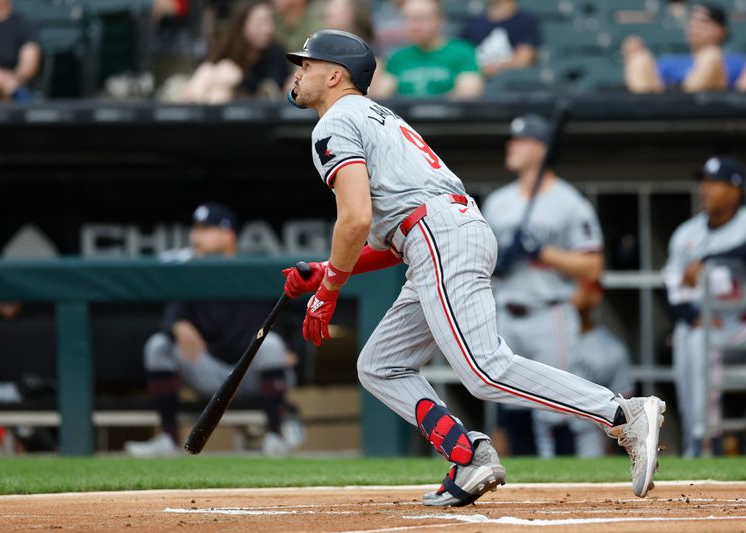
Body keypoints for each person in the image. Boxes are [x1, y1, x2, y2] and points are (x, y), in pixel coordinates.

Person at [282, 29, 664, 505]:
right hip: (436, 234)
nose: (298, 73)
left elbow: (356, 218)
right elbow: (395, 234)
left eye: (307, 65)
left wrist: (329, 291)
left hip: (438, 236)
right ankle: (469, 456)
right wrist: (328, 268)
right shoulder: (376, 116)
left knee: (484, 369)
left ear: (335, 75)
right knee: (380, 365)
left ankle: (623, 414)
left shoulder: (335, 120)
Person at [124, 202, 302, 457]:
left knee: (272, 344)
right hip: (208, 370)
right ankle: (168, 440)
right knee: (158, 346)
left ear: (228, 234)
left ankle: (276, 437)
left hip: (250, 372)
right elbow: (170, 316)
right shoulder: (192, 273)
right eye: (196, 229)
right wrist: (178, 325)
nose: (196, 236)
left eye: (206, 229)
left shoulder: (254, 270)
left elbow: (299, 309)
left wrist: (296, 348)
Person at [481, 114, 606, 459]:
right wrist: (500, 260)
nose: (511, 146)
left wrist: (543, 252)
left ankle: (563, 476)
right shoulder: (498, 202)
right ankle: (526, 478)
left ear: (540, 148)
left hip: (549, 313)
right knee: (509, 400)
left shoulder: (568, 201)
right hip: (507, 307)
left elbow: (593, 264)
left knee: (557, 402)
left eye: (520, 140)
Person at [663, 155, 746, 457]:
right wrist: (691, 315)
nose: (706, 190)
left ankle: (705, 439)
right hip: (702, 322)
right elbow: (670, 285)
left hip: (739, 322)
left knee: (701, 344)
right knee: (689, 340)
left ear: (736, 190)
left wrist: (711, 259)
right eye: (705, 182)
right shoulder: (687, 233)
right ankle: (695, 438)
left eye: (716, 183)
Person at [568, 280, 635, 457]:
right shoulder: (539, 343)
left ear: (595, 295)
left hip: (589, 439)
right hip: (544, 434)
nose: (570, 294)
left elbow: (626, 412)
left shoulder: (612, 349)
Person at [622, 2, 745, 93]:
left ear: (721, 31)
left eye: (703, 21)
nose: (695, 26)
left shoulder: (737, 62)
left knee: (710, 55)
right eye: (692, 21)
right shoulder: (670, 62)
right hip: (665, 109)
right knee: (640, 59)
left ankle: (685, 101)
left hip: (713, 111)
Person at [370, 0, 483, 99]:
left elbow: (468, 94)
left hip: (447, 122)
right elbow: (382, 98)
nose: (414, 26)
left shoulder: (462, 51)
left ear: (440, 21)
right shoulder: (398, 57)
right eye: (408, 18)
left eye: (421, 18)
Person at [180, 0, 287, 103]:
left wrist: (239, 80)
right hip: (216, 96)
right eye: (260, 23)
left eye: (270, 22)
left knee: (220, 92)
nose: (267, 29)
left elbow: (272, 88)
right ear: (243, 24)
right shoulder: (229, 48)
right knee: (207, 73)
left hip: (256, 108)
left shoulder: (276, 52)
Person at [460, 0, 541, 78]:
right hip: (474, 83)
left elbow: (524, 59)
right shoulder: (473, 22)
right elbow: (461, 57)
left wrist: (494, 68)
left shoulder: (526, 21)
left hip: (511, 84)